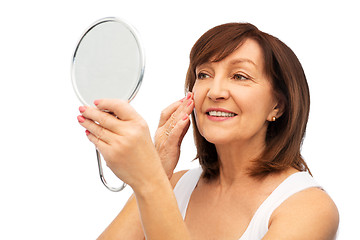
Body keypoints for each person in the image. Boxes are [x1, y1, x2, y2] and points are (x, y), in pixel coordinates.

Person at [77, 22, 339, 239]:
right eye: (203, 75)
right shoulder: (175, 184)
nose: (215, 92)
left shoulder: (309, 207)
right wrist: (156, 170)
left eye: (239, 76)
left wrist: (149, 180)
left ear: (278, 105)